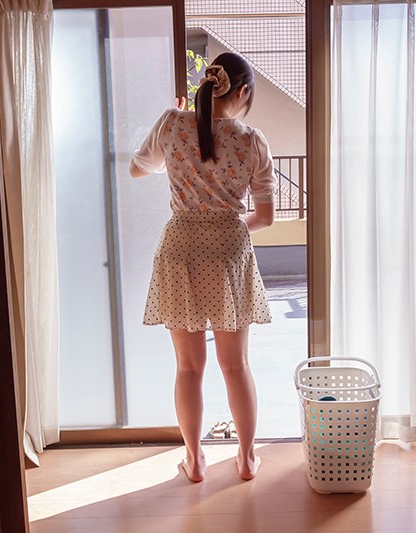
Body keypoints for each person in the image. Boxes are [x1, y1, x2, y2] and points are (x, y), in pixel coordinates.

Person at [129, 52, 276, 482]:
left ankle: (194, 461)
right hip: (229, 252)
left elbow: (137, 170)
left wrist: (171, 133)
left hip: (179, 250)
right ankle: (246, 459)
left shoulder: (172, 124)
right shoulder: (252, 140)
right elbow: (265, 217)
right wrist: (226, 223)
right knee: (236, 365)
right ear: (242, 91)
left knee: (188, 367)